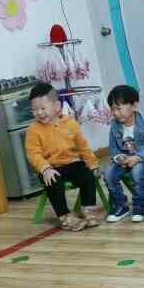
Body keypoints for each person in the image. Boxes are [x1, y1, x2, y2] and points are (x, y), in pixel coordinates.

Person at [24, 82, 101, 231]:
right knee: (53, 181)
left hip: (71, 163)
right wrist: (45, 169)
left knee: (86, 174)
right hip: (50, 168)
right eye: (34, 110)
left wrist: (93, 163)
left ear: (57, 106)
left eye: (43, 108)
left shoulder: (70, 123)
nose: (39, 113)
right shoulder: (33, 130)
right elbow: (33, 154)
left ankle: (88, 209)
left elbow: (82, 146)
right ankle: (64, 216)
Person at [103, 85, 144, 223]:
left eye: (119, 108)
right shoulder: (115, 125)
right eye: (112, 109)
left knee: (137, 171)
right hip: (125, 160)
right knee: (108, 173)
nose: (115, 113)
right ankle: (121, 206)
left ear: (134, 106)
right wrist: (118, 157)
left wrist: (138, 157)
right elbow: (113, 148)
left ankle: (139, 206)